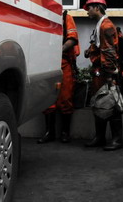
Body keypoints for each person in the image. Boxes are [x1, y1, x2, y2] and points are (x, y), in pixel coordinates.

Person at [82, 0, 123, 151]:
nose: (87, 12)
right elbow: (100, 47)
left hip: (106, 73)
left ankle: (117, 140)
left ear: (97, 8)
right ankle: (100, 138)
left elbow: (109, 52)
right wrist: (90, 51)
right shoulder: (100, 25)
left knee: (111, 104)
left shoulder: (106, 26)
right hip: (100, 71)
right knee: (99, 104)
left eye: (89, 8)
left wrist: (110, 75)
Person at [38, 9, 80, 144]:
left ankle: (65, 133)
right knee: (47, 98)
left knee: (66, 97)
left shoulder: (66, 17)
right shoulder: (42, 16)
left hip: (64, 62)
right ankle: (49, 132)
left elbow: (73, 39)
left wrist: (58, 50)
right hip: (46, 62)